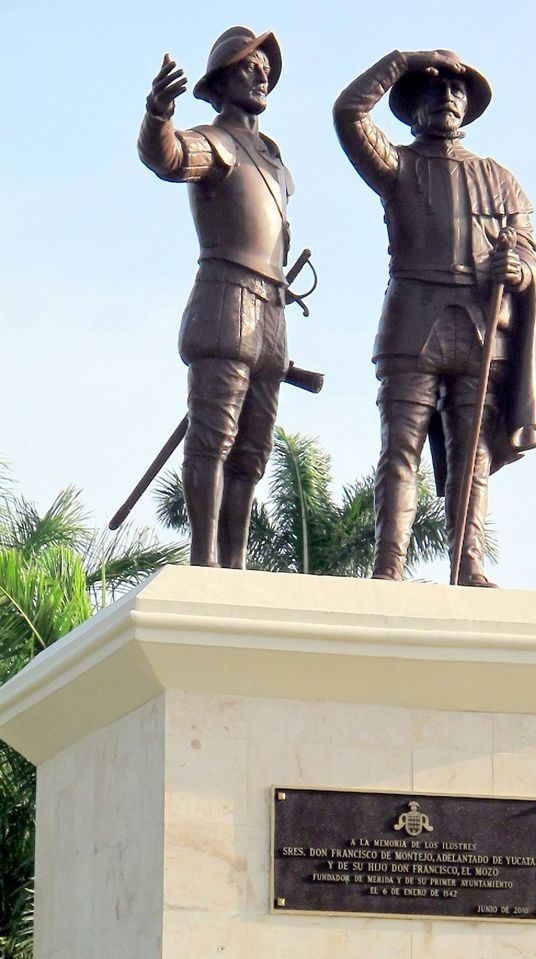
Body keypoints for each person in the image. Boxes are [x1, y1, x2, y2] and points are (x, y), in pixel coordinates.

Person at [334, 49, 536, 587]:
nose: (446, 96)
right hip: (411, 322)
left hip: (480, 326)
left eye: (456, 88)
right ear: (411, 107)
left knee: (472, 454)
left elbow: (529, 256)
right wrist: (402, 61)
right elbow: (348, 114)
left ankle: (467, 562)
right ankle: (388, 566)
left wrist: (516, 269)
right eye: (432, 89)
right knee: (400, 447)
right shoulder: (396, 165)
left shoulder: (502, 181)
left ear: (469, 105)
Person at [138, 26, 293, 568]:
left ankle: (235, 563)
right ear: (221, 82)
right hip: (227, 298)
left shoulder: (271, 157)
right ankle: (204, 561)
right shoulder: (217, 142)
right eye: (250, 66)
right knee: (214, 439)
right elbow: (170, 158)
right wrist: (159, 116)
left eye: (265, 68)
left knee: (253, 453)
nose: (262, 74)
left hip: (271, 310)